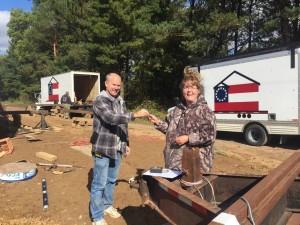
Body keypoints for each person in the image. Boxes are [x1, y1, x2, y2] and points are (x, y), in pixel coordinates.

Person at [89, 73, 149, 225]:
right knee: (99, 184)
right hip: (102, 148)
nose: (116, 87)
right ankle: (97, 217)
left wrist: (126, 143)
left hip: (117, 147)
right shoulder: (100, 100)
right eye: (113, 84)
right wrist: (135, 114)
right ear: (106, 84)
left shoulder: (120, 100)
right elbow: (111, 118)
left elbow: (123, 124)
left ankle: (107, 205)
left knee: (111, 180)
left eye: (118, 85)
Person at [148, 67, 216, 173]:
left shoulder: (205, 111)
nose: (189, 91)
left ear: (198, 90)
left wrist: (188, 138)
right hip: (173, 163)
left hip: (195, 167)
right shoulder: (176, 110)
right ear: (182, 90)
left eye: (193, 87)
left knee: (191, 189)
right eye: (186, 87)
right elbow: (170, 130)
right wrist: (158, 122)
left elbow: (209, 136)